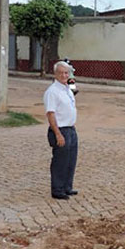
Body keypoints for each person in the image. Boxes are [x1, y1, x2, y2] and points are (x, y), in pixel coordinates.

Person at [43, 61, 79, 200]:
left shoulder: (67, 88)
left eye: (66, 73)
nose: (64, 75)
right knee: (60, 161)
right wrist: (57, 133)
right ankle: (57, 189)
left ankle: (67, 187)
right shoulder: (52, 91)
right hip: (60, 130)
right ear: (55, 74)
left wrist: (71, 78)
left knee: (70, 160)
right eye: (62, 73)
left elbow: (75, 91)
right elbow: (50, 114)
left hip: (71, 128)